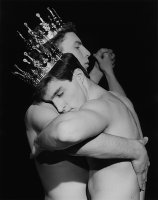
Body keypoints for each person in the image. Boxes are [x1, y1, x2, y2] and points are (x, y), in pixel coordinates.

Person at [15, 7, 149, 200]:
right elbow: (64, 139)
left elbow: (121, 106)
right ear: (58, 57)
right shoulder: (40, 110)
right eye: (77, 47)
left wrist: (106, 72)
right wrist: (135, 149)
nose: (87, 53)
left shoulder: (75, 99)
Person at [32, 53, 149, 200]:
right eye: (52, 102)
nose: (60, 107)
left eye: (60, 94)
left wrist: (39, 142)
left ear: (79, 76)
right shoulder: (121, 100)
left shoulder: (99, 105)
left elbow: (64, 132)